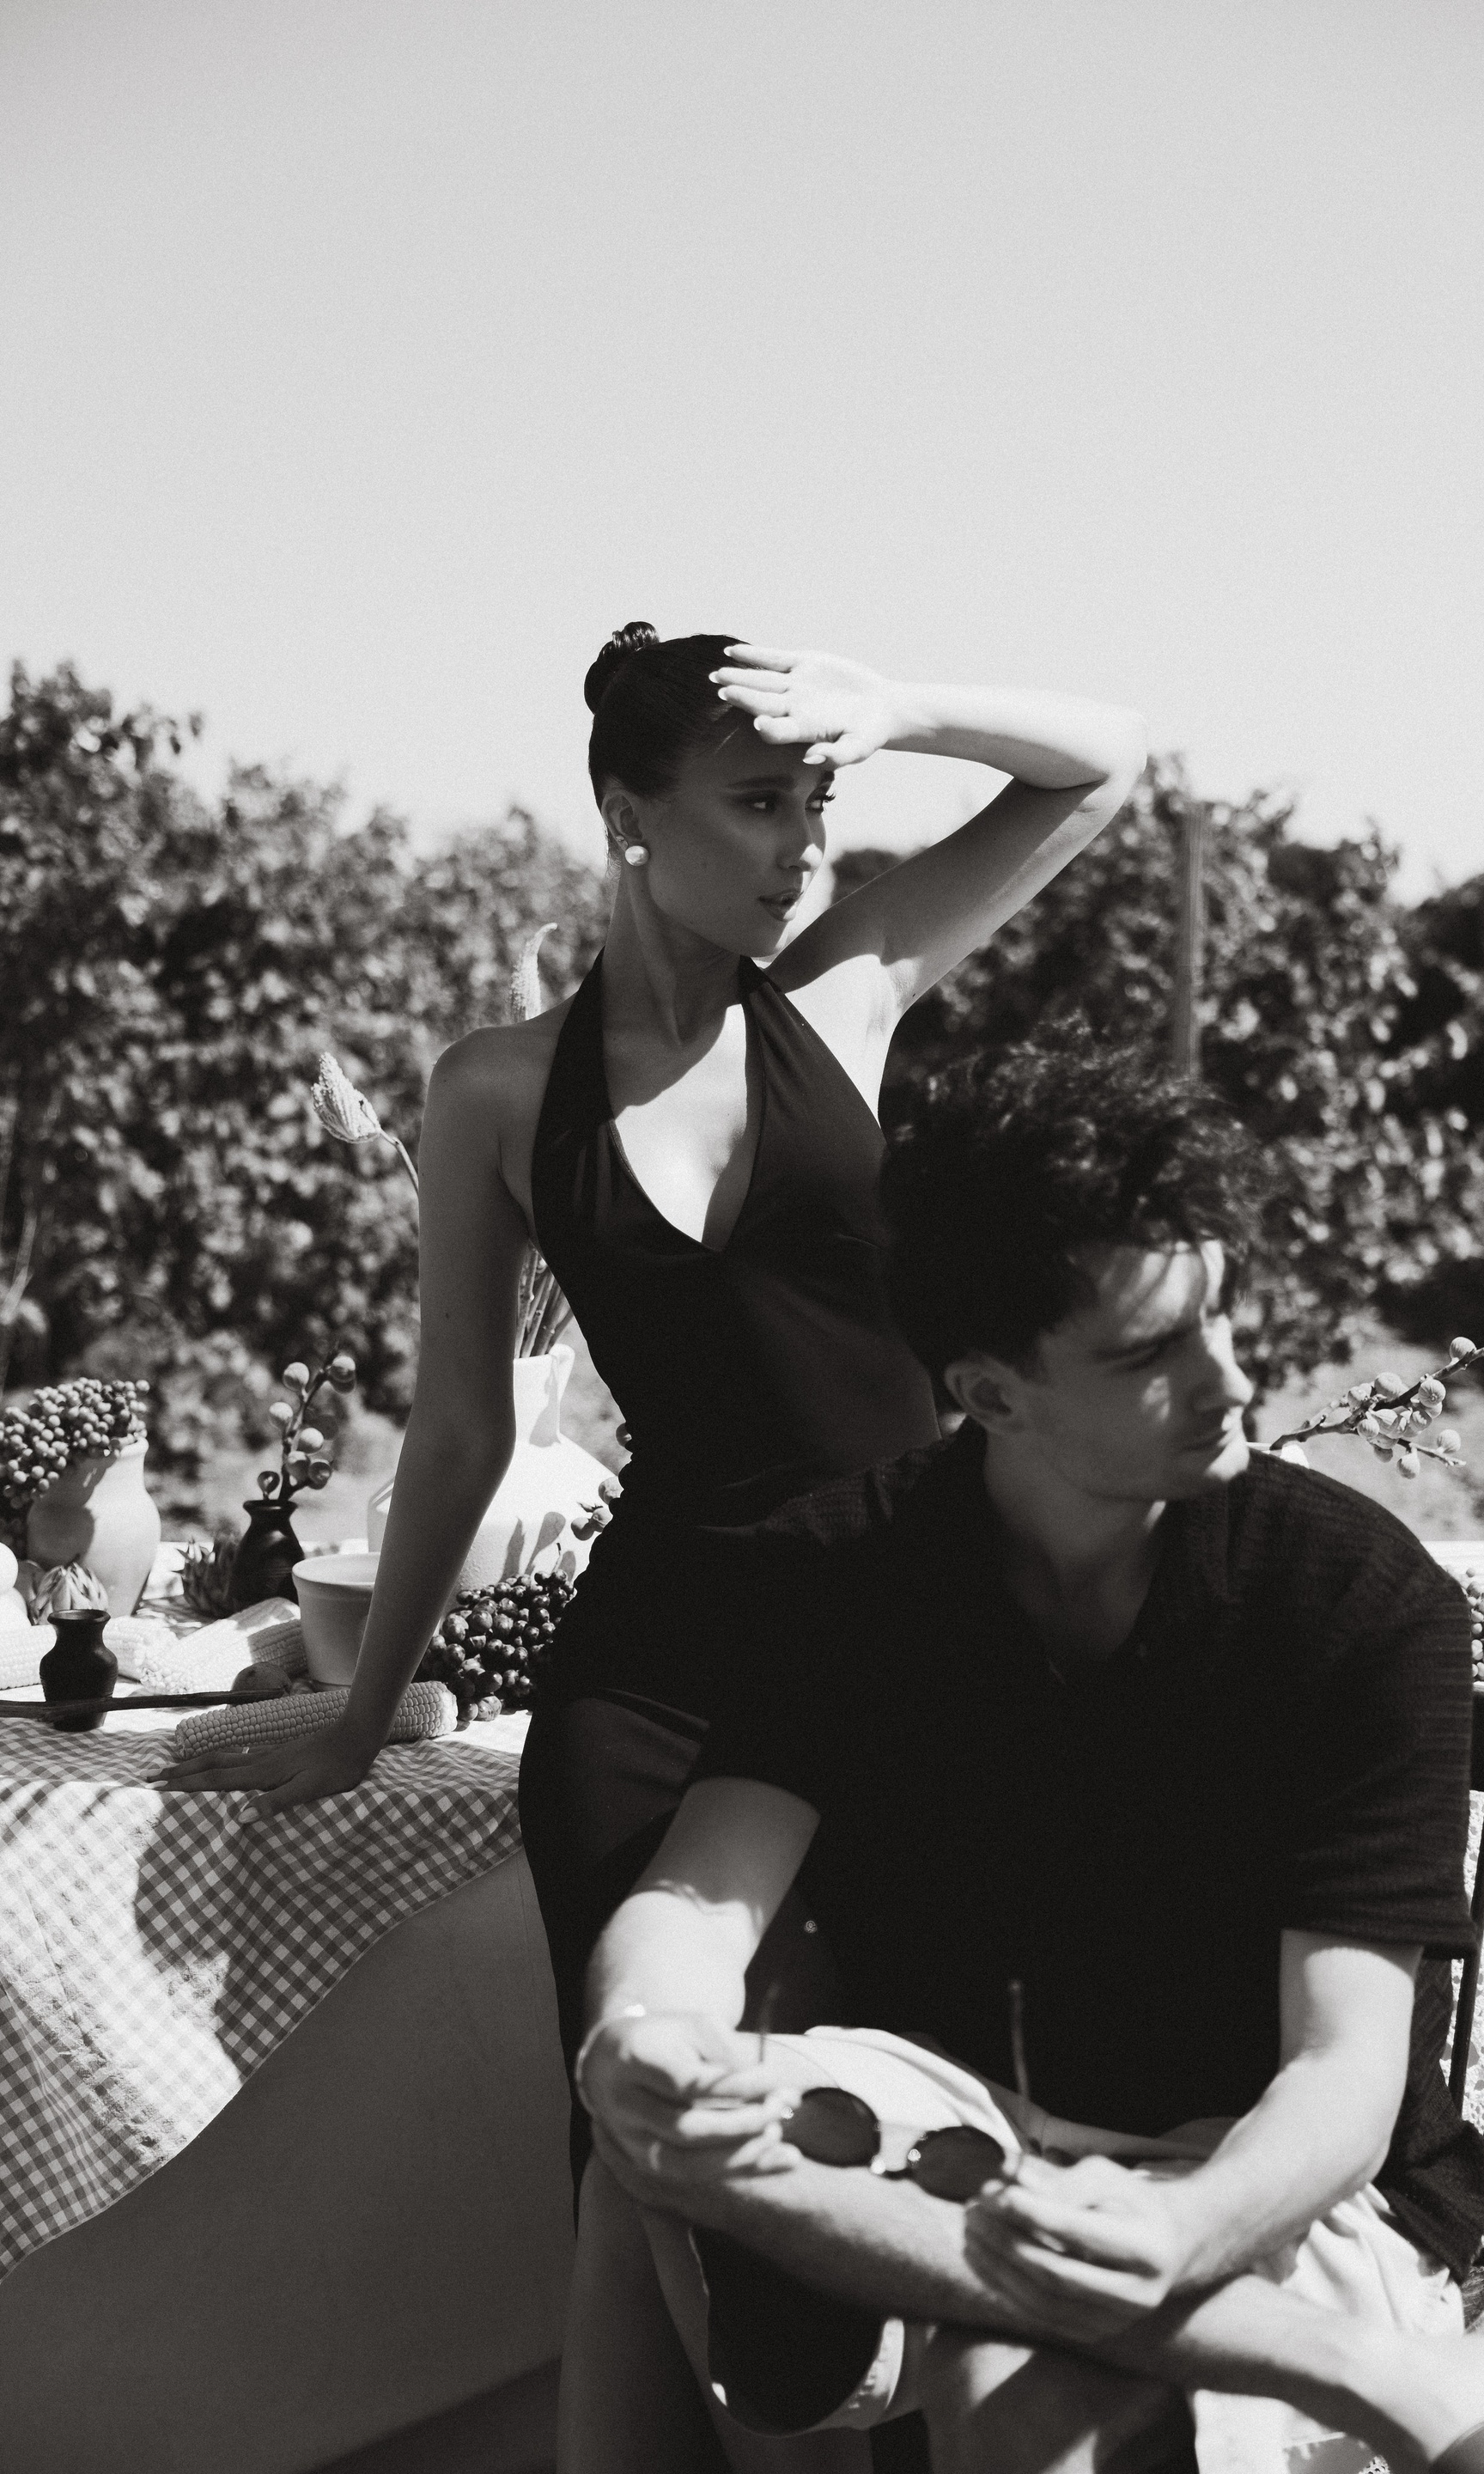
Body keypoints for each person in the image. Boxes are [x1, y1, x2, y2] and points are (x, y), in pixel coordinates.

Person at [159, 626, 1147, 2154]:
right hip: (654, 1678)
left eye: (816, 806)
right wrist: (360, 1717)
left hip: (907, 1637)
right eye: (758, 803)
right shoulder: (495, 1089)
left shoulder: (846, 992)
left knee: (897, 2133)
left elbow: (1101, 767)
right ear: (628, 814)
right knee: (642, 2139)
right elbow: (462, 1428)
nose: (803, 848)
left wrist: (900, 710)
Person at [572, 1033, 1484, 2474]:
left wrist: (1181, 2226)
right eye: (1152, 1354)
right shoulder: (840, 1572)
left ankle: (1317, 2338)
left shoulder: (1352, 1600)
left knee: (1019, 2405)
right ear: (990, 1394)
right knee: (650, 2125)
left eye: (1220, 1315)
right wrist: (642, 2026)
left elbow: (1342, 2077)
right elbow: (700, 1900)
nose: (1231, 1380)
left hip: (1273, 2178)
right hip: (973, 2142)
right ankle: (1378, 2380)